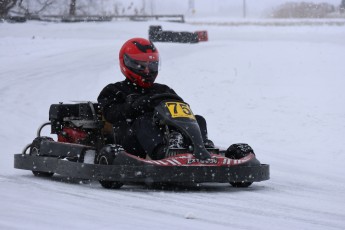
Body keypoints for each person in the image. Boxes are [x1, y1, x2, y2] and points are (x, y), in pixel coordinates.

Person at [98, 38, 212, 159]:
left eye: (151, 65)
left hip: (166, 137)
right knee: (144, 120)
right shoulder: (114, 90)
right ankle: (161, 153)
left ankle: (202, 148)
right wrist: (133, 106)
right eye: (140, 66)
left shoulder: (164, 90)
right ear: (127, 63)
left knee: (198, 119)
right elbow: (110, 114)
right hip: (130, 142)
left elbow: (181, 113)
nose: (147, 71)